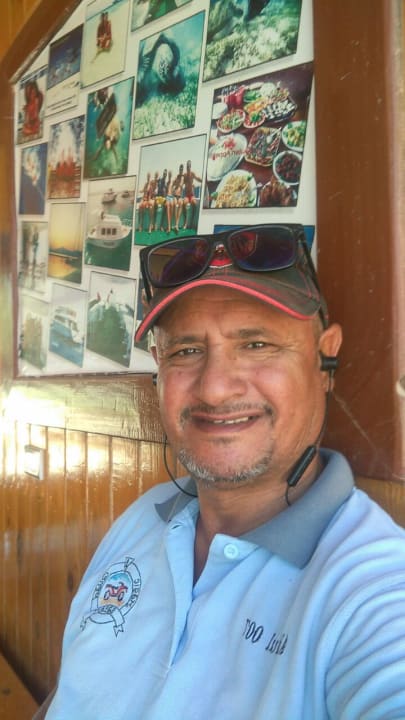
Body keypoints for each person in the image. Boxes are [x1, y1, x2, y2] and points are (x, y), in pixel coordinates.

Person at [36, 224, 405, 719]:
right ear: (158, 368)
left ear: (325, 358)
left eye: (257, 345)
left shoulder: (375, 589)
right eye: (186, 351)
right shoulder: (144, 520)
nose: (213, 388)